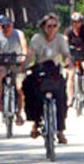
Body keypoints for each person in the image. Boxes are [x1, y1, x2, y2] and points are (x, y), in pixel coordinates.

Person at [23, 12, 71, 143]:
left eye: (55, 26)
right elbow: (31, 54)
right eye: (49, 26)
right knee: (29, 87)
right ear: (43, 26)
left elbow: (66, 54)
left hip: (54, 71)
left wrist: (68, 62)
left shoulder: (60, 39)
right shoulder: (37, 38)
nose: (52, 28)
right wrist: (25, 65)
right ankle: (35, 121)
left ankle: (60, 131)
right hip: (40, 70)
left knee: (61, 97)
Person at [0, 16, 27, 124]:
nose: (7, 28)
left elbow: (24, 47)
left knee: (20, 88)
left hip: (16, 62)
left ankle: (19, 113)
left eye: (9, 25)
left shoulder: (19, 34)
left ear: (12, 25)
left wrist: (23, 56)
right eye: (4, 26)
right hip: (2, 62)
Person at [64, 11, 84, 106]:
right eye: (74, 21)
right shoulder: (68, 31)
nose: (76, 23)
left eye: (78, 21)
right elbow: (64, 41)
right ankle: (70, 98)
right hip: (72, 55)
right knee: (70, 75)